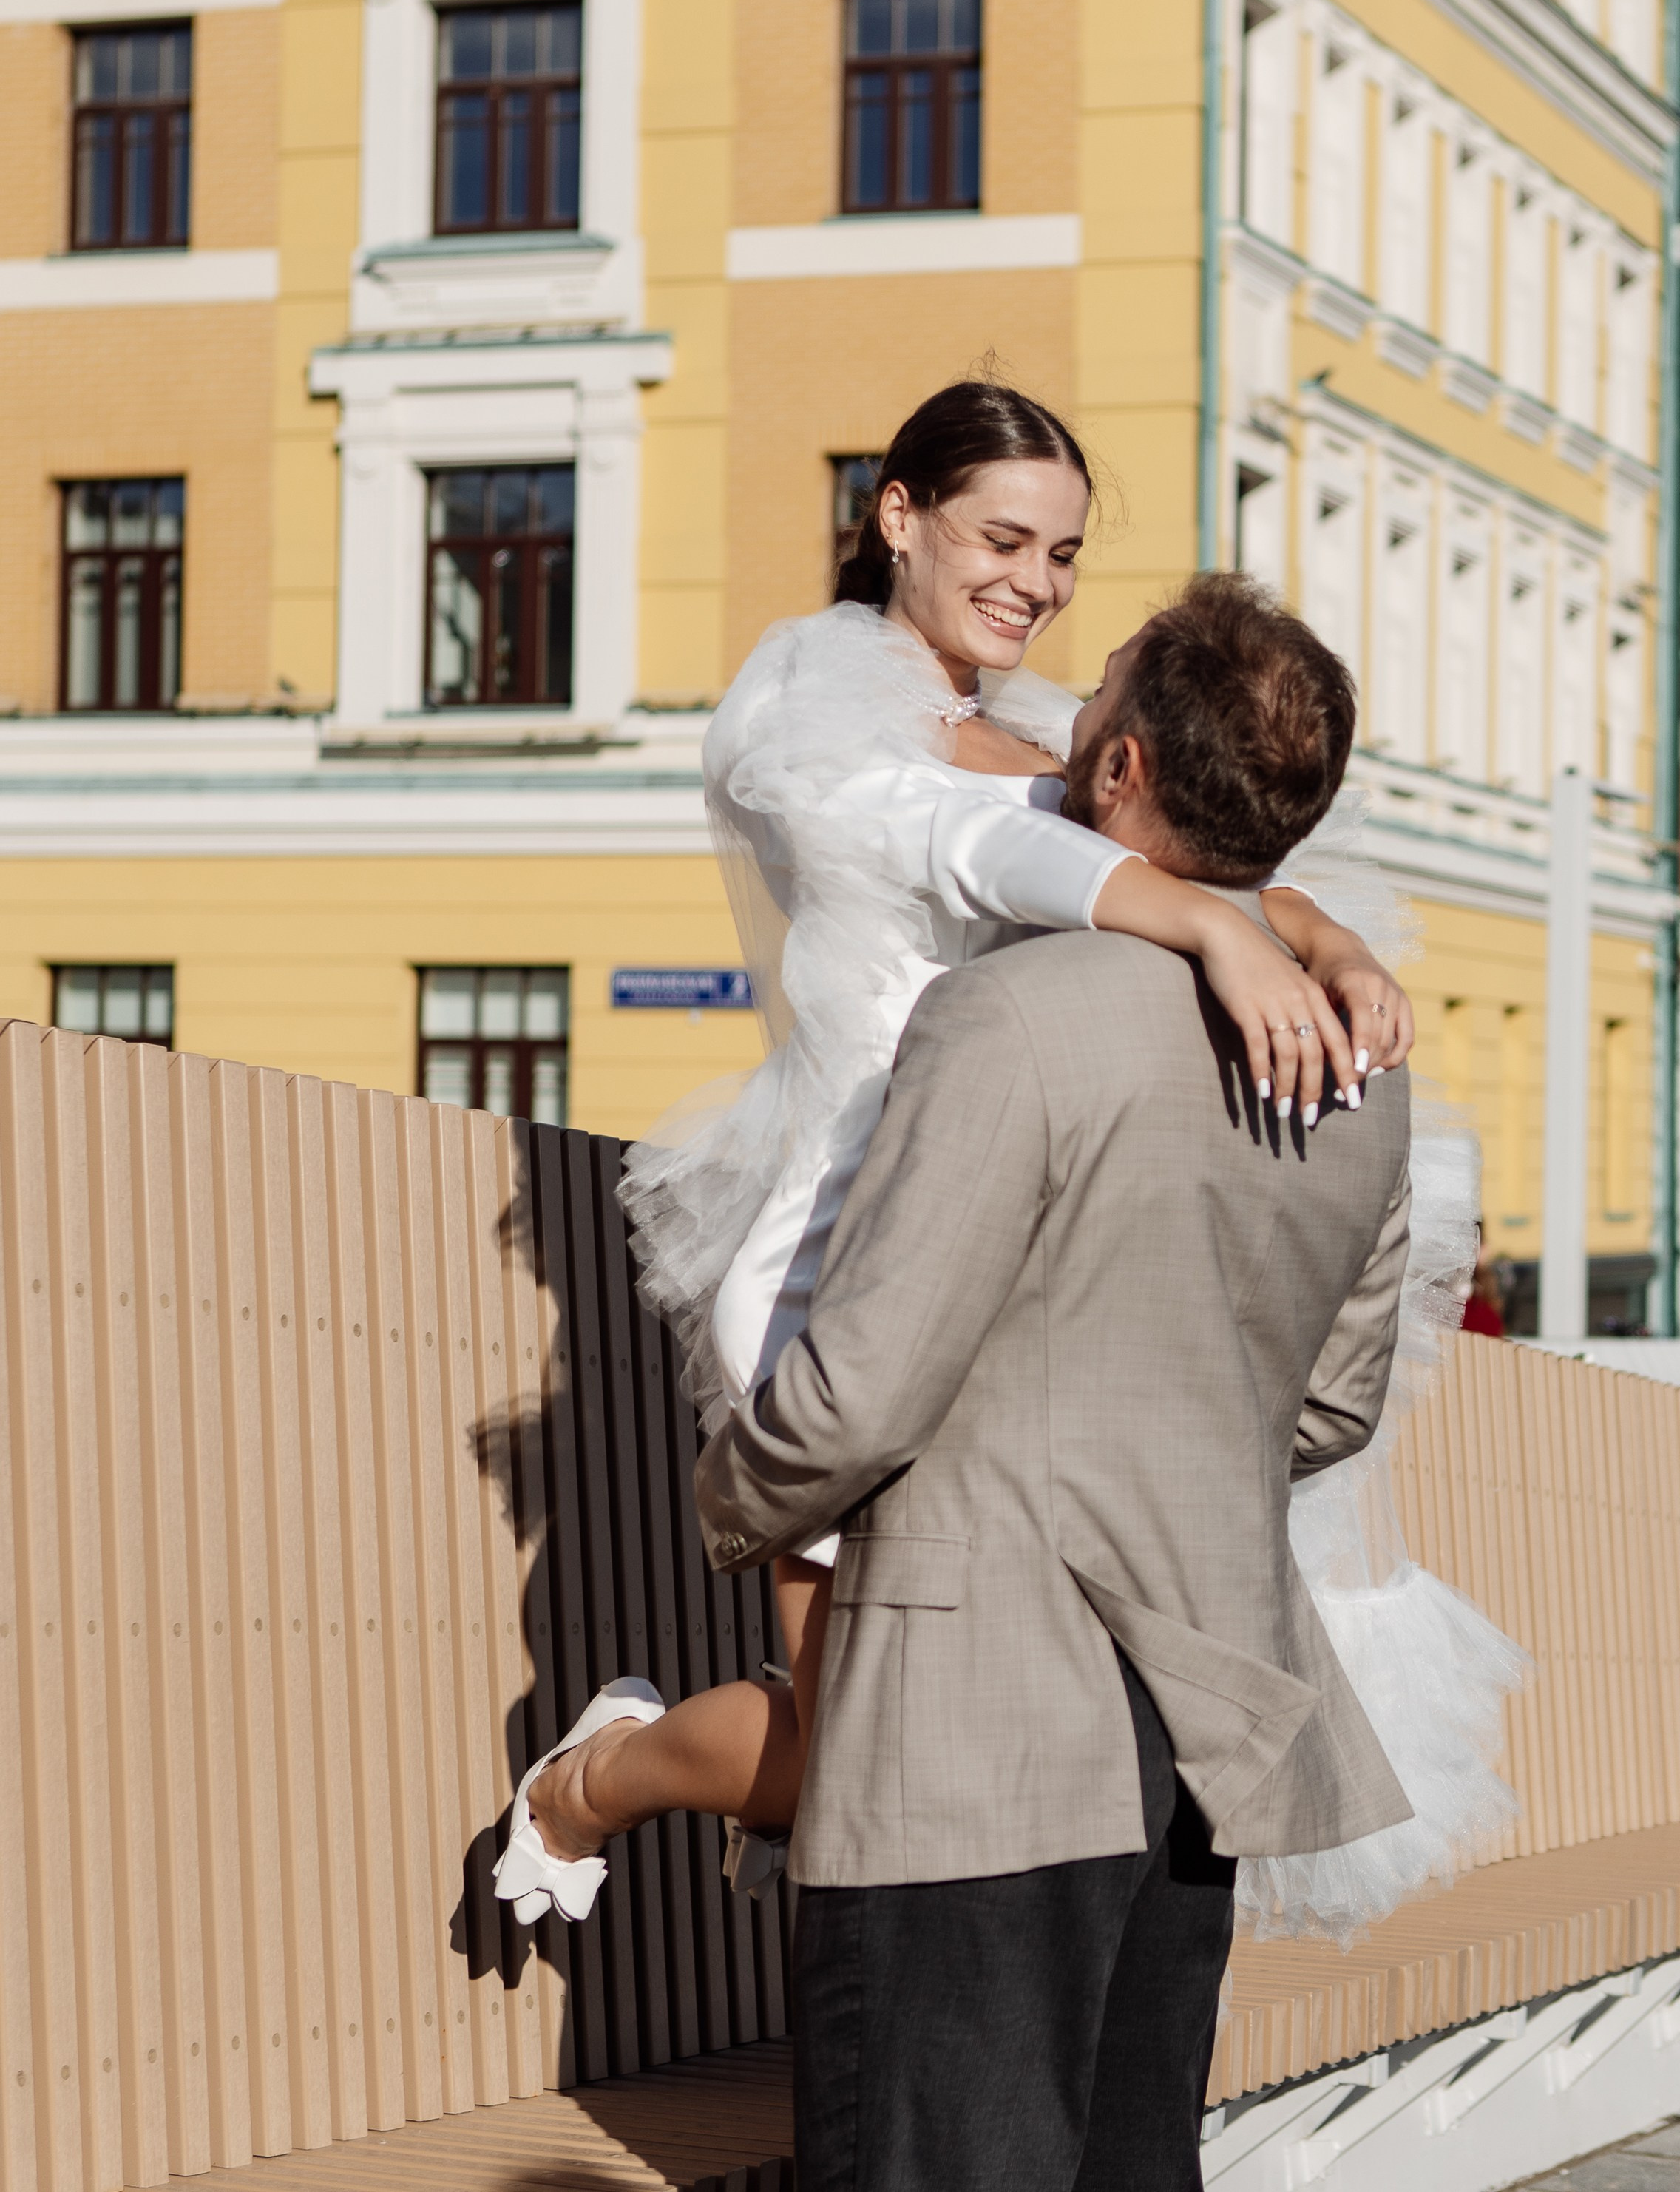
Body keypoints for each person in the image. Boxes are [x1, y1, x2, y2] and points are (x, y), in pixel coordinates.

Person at [494, 382, 1518, 1944]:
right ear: (898, 515)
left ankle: (798, 1866)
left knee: (944, 1749)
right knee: (852, 1754)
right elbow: (989, 845)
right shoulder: (810, 701)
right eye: (1002, 537)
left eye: (1064, 553)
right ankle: (598, 1780)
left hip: (1008, 1298)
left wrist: (1319, 934)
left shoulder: (1046, 726)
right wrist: (1211, 931)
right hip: (844, 1276)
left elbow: (1177, 835)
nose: (1035, 582)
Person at [690, 581, 1416, 2192]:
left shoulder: (1008, 1017)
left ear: (1123, 769)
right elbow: (1329, 1406)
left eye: (1096, 702)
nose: (1069, 713)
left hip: (973, 1732)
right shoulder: (1361, 1081)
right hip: (1198, 1731)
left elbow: (860, 1392)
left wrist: (731, 1497)